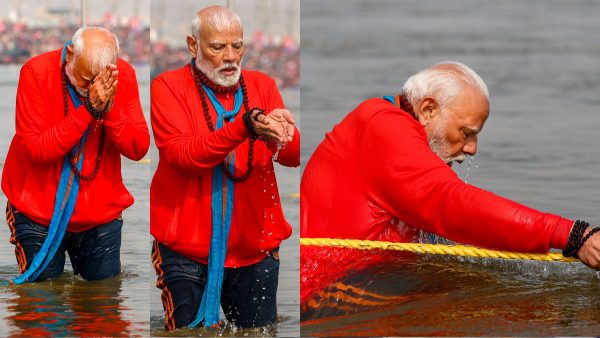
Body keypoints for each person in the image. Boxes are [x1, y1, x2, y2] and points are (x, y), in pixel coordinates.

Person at [300, 61, 600, 303]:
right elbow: (450, 202)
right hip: (328, 293)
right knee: (483, 299)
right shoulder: (383, 125)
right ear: (428, 110)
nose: (472, 148)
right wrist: (573, 235)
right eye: (467, 133)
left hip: (358, 282)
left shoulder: (390, 124)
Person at [150, 6, 300, 330]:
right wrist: (245, 127)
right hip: (186, 251)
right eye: (217, 47)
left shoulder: (262, 84)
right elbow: (184, 157)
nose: (230, 56)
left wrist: (285, 135)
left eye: (237, 46)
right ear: (193, 45)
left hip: (255, 250)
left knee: (258, 334)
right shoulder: (167, 86)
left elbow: (292, 157)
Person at [2, 26, 150, 283]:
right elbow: (37, 150)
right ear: (69, 54)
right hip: (37, 209)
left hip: (100, 213)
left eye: (98, 79)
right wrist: (89, 110)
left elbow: (138, 149)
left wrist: (110, 109)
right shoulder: (35, 72)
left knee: (103, 305)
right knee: (41, 305)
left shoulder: (122, 75)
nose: (91, 88)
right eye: (84, 79)